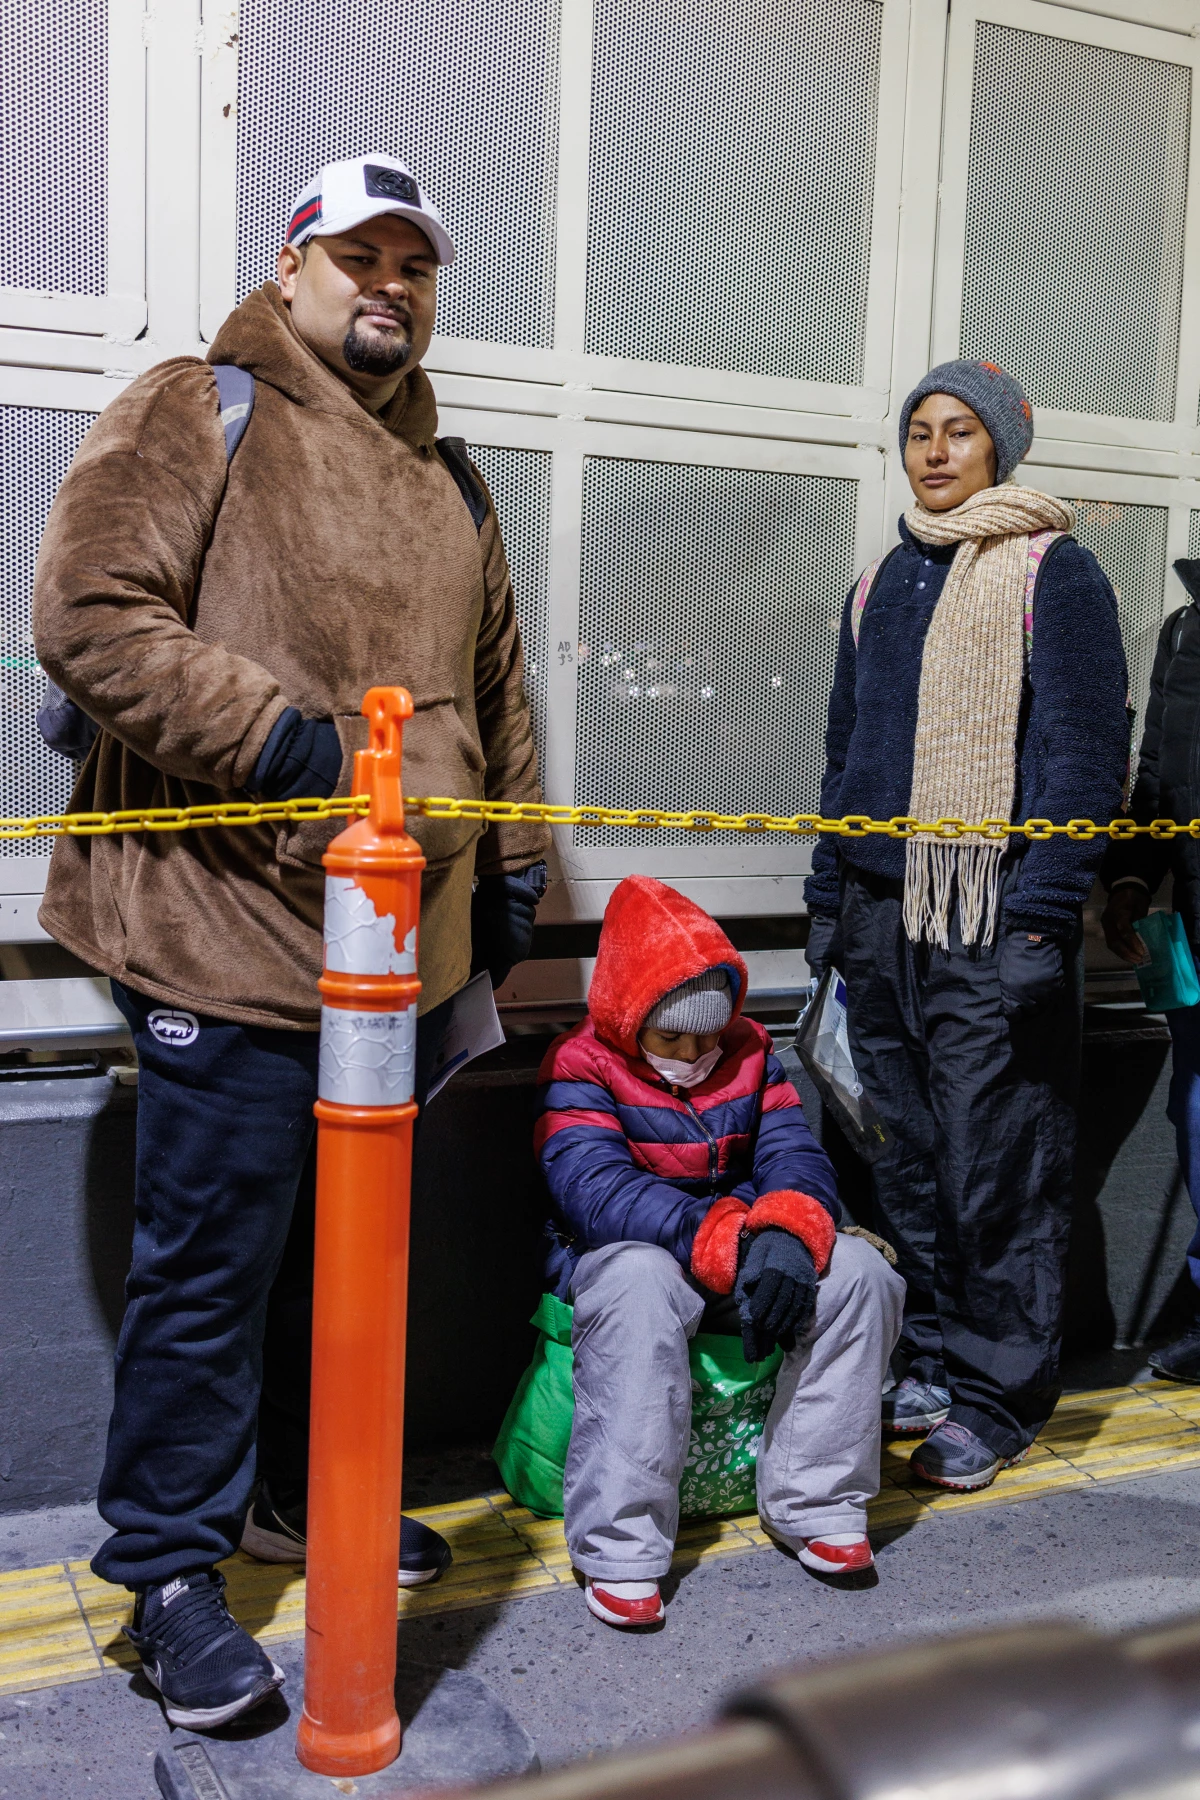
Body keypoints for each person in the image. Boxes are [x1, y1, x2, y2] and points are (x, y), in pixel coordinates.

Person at [31, 154, 550, 1728]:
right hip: (223, 933)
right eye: (358, 255)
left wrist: (512, 868)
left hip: (397, 961)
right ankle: (169, 1582)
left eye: (414, 263)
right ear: (295, 262)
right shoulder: (202, 405)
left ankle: (289, 1502)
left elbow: (500, 691)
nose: (387, 282)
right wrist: (286, 750)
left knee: (344, 1259)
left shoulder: (453, 478)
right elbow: (91, 611)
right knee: (209, 1267)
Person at [805, 359, 1129, 1492]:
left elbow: (1086, 757)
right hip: (880, 918)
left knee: (1000, 1164)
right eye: (920, 433)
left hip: (992, 921)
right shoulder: (882, 578)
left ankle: (999, 1395)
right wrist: (827, 903)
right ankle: (932, 1358)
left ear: (1001, 448)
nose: (935, 452)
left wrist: (1043, 922)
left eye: (960, 433)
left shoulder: (1055, 571)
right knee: (903, 1157)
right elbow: (845, 755)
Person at [535, 875, 905, 1627]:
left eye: (711, 1035)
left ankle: (817, 1499)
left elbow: (794, 1152)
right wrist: (729, 1240)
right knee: (638, 1281)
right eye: (673, 1038)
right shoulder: (580, 1065)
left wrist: (787, 1233)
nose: (698, 1054)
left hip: (740, 1243)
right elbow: (597, 1191)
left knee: (863, 1274)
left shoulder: (752, 1054)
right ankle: (622, 1546)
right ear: (628, 1018)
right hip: (633, 1255)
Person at [1101, 559, 1200, 1381]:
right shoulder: (1185, 627)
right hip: (1198, 928)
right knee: (1197, 1113)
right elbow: (1160, 776)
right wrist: (1131, 879)